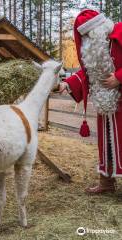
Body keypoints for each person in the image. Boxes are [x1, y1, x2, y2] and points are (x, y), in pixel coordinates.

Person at [59, 9, 122, 194]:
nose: (86, 40)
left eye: (87, 35)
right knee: (108, 144)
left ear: (99, 28)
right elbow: (88, 71)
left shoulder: (119, 33)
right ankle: (107, 183)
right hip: (106, 106)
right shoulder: (95, 48)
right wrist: (68, 84)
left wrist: (119, 77)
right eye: (83, 37)